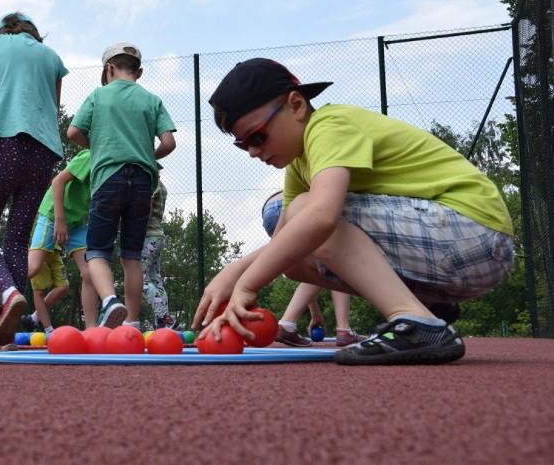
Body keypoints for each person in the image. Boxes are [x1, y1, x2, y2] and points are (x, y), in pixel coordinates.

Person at [194, 58, 514, 365]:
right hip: (458, 250)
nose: (252, 151)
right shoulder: (299, 164)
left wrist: (247, 286)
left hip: (473, 232)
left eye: (257, 135)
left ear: (296, 105)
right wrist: (234, 273)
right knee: (291, 255)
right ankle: (428, 309)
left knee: (299, 210)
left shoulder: (329, 125)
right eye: (243, 144)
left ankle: (415, 320)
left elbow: (319, 217)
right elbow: (285, 241)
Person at [0, 12, 68, 349]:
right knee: (16, 239)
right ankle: (8, 330)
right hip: (43, 151)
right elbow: (52, 106)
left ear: (0, 29)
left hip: (5, 143)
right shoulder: (52, 57)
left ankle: (9, 294)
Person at [68, 42, 176, 329]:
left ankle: (109, 301)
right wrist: (144, 155)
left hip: (108, 179)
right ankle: (132, 322)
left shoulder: (98, 95)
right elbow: (169, 143)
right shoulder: (152, 99)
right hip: (143, 182)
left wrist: (99, 148)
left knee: (97, 251)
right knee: (131, 255)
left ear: (108, 68)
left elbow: (73, 131)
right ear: (138, 71)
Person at [0, 149, 97, 332]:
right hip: (53, 214)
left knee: (90, 272)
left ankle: (92, 329)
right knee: (32, 267)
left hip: (76, 222)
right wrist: (60, 219)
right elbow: (57, 182)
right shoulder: (89, 156)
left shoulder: (111, 168)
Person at [262, 192, 365, 348]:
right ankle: (343, 329)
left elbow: (309, 277)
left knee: (315, 268)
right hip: (294, 208)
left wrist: (315, 313)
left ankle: (287, 324)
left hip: (269, 212)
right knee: (338, 263)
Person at [143, 177, 180, 330]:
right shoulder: (160, 184)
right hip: (158, 235)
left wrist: (137, 232)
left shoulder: (149, 182)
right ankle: (165, 318)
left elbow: (146, 209)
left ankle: (163, 318)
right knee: (155, 279)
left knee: (139, 279)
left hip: (147, 236)